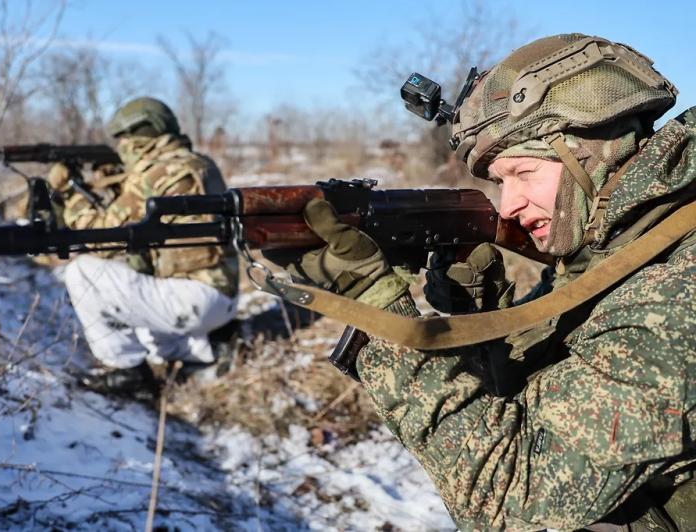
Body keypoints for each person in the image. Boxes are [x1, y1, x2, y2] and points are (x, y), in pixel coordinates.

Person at [269, 34, 696, 530]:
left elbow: (515, 496)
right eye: (499, 181)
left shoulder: (679, 285)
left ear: (593, 148)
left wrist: (375, 307)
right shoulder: (614, 251)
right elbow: (533, 404)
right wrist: (483, 318)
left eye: (524, 172)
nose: (508, 204)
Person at [49, 97, 239, 394]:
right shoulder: (197, 163)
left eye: (125, 137)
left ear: (145, 132)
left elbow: (99, 237)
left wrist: (68, 192)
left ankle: (129, 374)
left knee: (82, 272)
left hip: (194, 299)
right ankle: (210, 347)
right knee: (143, 324)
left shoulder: (155, 173)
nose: (122, 145)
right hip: (220, 298)